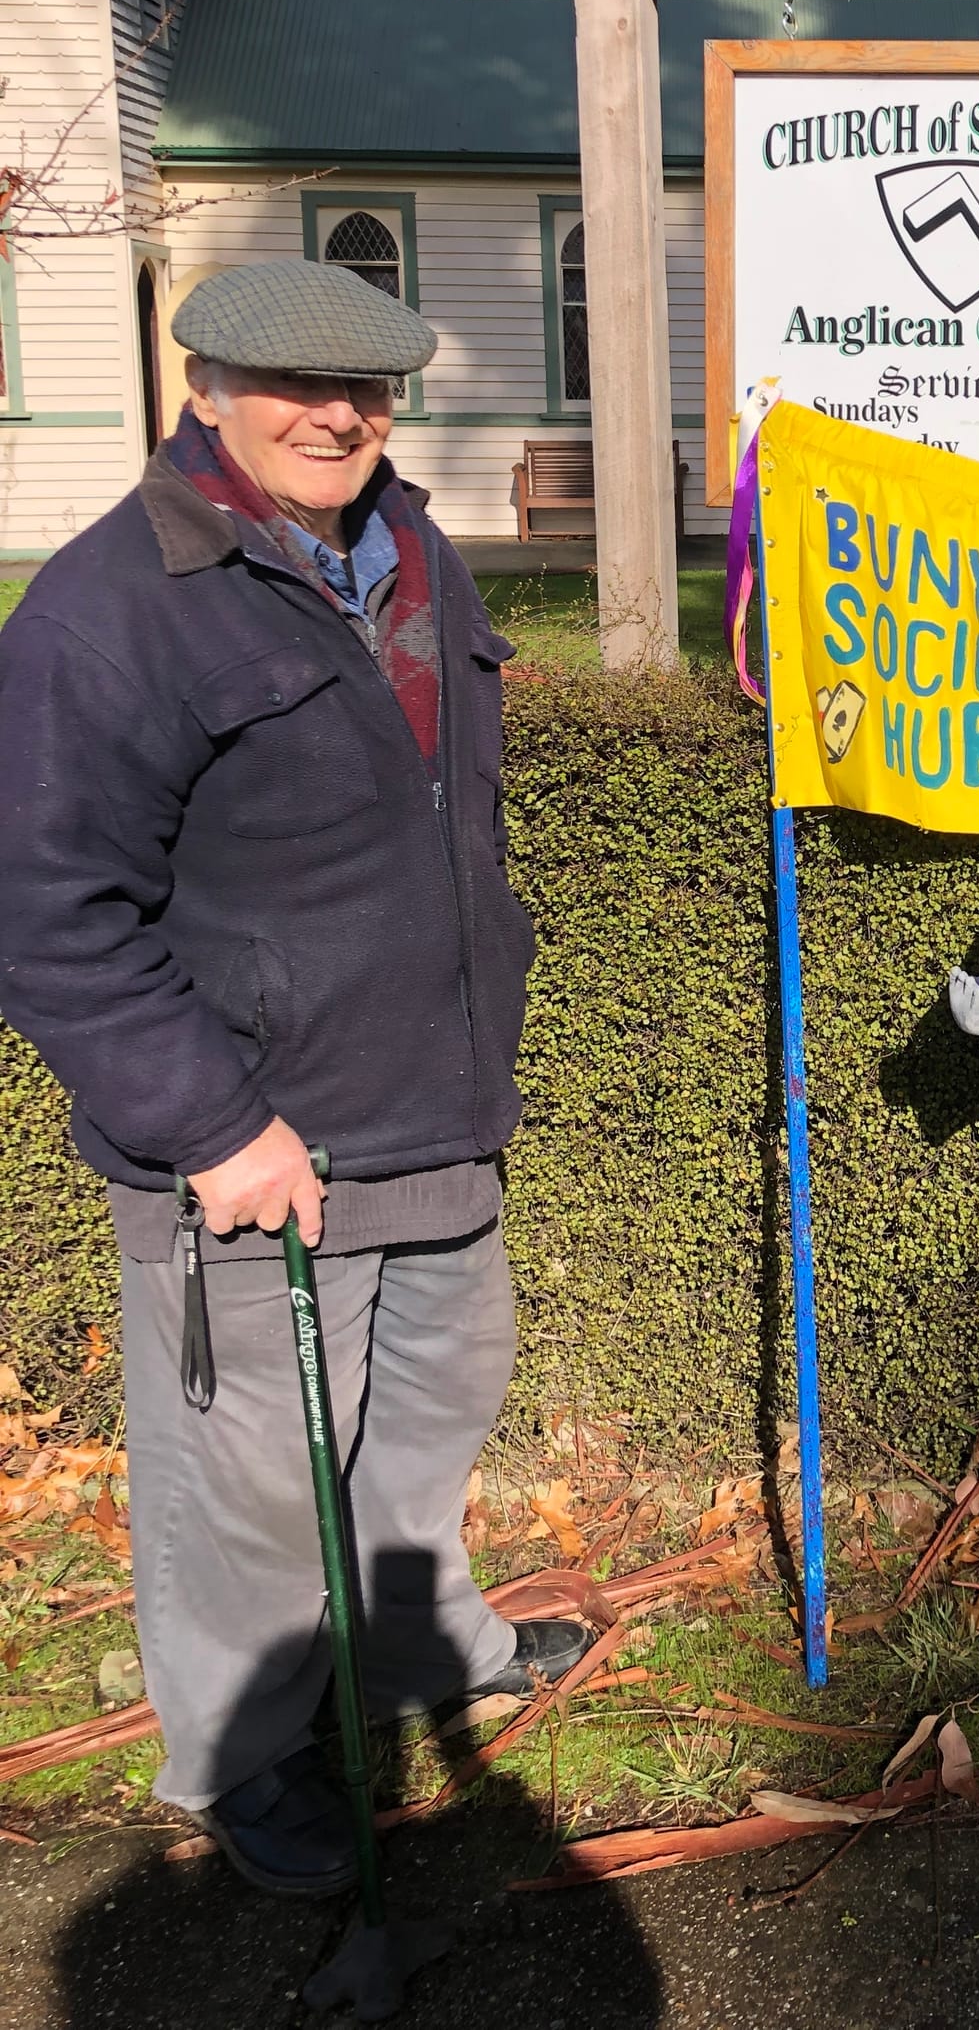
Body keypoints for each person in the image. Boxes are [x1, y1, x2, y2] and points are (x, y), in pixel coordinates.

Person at [0, 261, 585, 1895]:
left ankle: (415, 1651)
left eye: (371, 389)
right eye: (293, 385)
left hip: (437, 1111)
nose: (339, 414)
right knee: (247, 1485)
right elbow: (44, 909)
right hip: (256, 1150)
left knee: (430, 1418)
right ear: (203, 389)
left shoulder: (408, 549)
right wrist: (212, 1122)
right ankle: (241, 1761)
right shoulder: (111, 606)